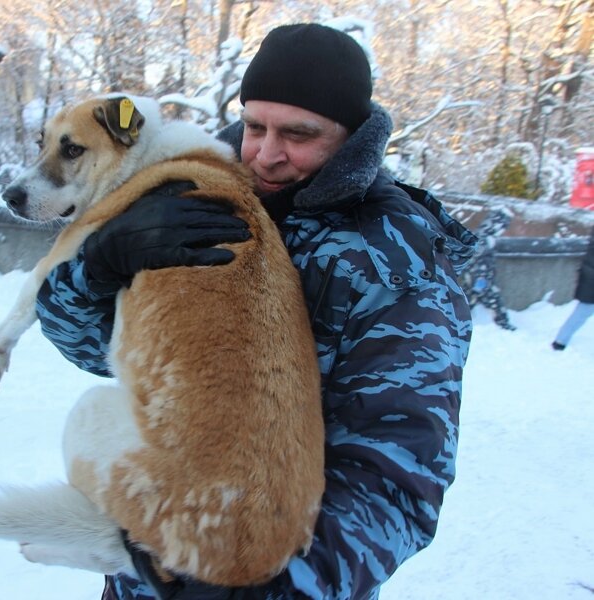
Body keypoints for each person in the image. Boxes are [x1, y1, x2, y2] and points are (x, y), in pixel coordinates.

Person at [35, 23, 477, 599]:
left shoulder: (397, 265)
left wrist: (238, 590)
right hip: (143, 566)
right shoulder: (189, 200)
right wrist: (93, 269)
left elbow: (395, 484)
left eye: (299, 133)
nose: (267, 154)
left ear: (351, 138)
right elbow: (102, 355)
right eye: (254, 126)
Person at [460, 208, 516, 330]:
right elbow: (476, 259)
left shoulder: (483, 236)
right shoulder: (484, 238)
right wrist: (480, 280)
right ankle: (503, 324)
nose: (503, 229)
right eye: (503, 225)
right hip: (480, 278)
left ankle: (456, 323)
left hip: (479, 278)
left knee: (467, 302)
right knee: (492, 300)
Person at [552, 229, 594, 350]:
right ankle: (560, 341)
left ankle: (560, 341)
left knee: (582, 312)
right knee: (583, 312)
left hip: (589, 278)